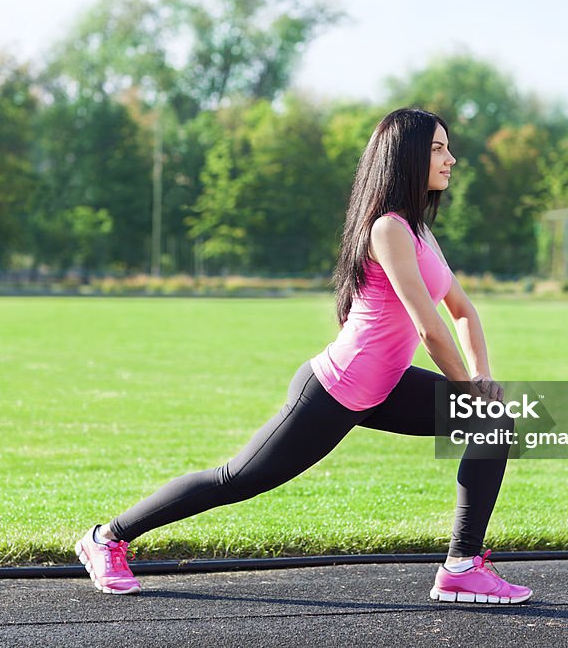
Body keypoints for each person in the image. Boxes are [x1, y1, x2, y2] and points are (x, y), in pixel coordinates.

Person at [75, 107, 532, 605]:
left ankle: (462, 567)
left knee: (493, 424)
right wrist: (468, 388)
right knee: (238, 479)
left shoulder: (420, 233)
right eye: (439, 149)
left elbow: (462, 311)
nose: (452, 159)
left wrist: (482, 378)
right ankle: (106, 538)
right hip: (336, 390)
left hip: (386, 387)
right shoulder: (388, 230)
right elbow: (430, 328)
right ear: (406, 156)